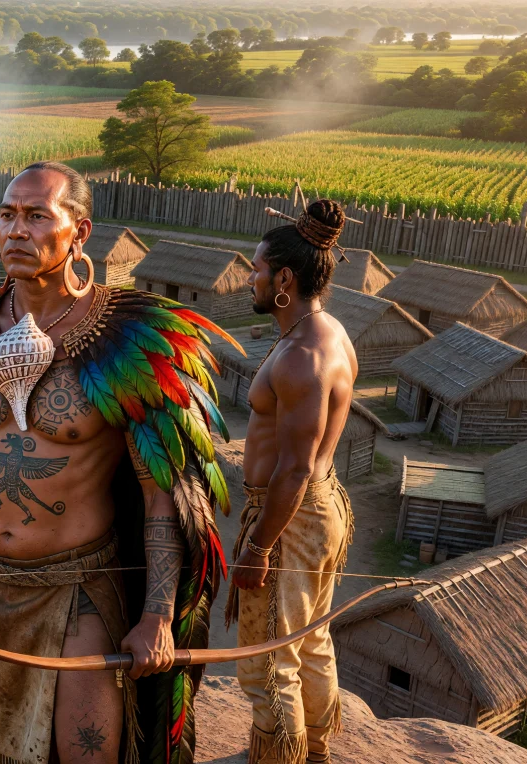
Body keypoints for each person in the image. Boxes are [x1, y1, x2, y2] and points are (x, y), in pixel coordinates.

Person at [0, 162, 238, 764]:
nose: (17, 230)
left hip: (76, 590)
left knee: (87, 751)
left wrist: (157, 616)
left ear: (80, 231)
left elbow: (162, 498)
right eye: (8, 214)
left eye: (38, 215)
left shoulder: (132, 346)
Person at [227, 200, 358, 764]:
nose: (248, 280)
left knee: (267, 655)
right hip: (320, 506)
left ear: (284, 277)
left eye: (255, 269)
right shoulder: (328, 331)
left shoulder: (302, 357)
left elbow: (296, 467)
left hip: (291, 514)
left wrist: (258, 546)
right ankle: (316, 752)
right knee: (310, 643)